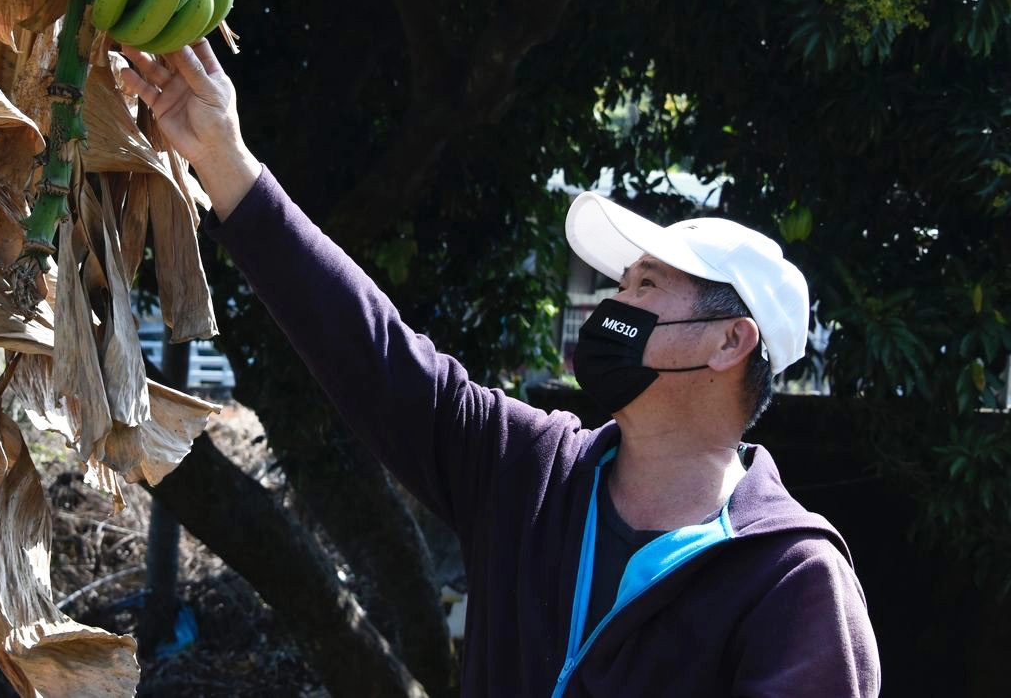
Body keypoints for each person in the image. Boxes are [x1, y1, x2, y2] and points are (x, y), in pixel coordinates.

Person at [117, 41, 880, 697]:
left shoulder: (791, 583)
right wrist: (224, 160)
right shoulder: (528, 470)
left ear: (729, 343)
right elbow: (372, 350)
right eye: (619, 284)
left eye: (646, 287)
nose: (614, 305)